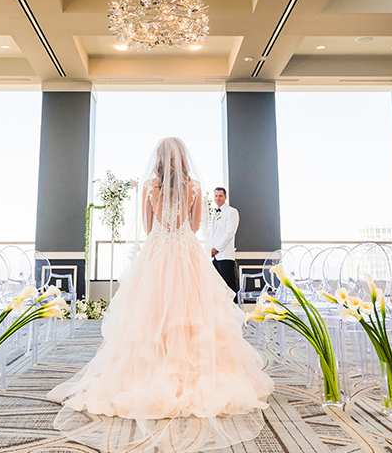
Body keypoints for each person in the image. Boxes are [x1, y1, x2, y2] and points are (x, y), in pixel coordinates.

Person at [48, 137, 273, 453]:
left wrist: (162, 224)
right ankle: (190, 373)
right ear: (183, 159)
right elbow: (194, 228)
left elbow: (147, 226)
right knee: (192, 311)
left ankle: (150, 370)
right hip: (184, 253)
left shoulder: (149, 187)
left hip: (156, 253)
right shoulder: (194, 186)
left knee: (150, 312)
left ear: (158, 159)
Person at [210, 187, 239, 297]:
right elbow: (212, 235)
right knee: (218, 288)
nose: (218, 198)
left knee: (229, 286)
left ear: (225, 197)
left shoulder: (232, 212)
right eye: (216, 196)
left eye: (220, 196)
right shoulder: (214, 214)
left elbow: (229, 233)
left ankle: (235, 311)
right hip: (214, 257)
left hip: (225, 255)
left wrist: (216, 249)